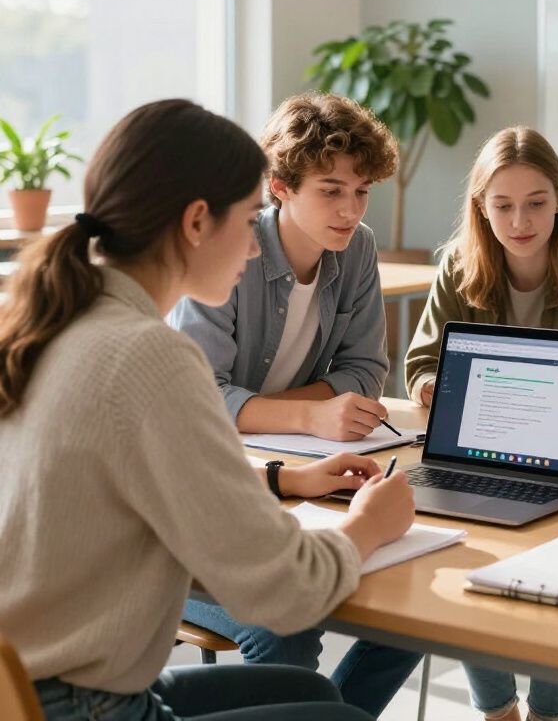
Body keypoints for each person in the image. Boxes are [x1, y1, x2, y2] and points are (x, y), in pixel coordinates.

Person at [0, 99, 415, 721]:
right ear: (197, 222)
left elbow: (121, 479)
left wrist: (280, 478)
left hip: (47, 684)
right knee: (343, 719)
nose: (254, 247)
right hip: (83, 705)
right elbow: (285, 590)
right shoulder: (151, 357)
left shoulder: (58, 321)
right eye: (250, 220)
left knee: (316, 695)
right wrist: (368, 527)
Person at [169, 92, 421, 717]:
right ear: (279, 188)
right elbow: (203, 398)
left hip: (272, 477)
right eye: (331, 190)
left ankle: (325, 714)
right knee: (289, 621)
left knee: (412, 600)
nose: (350, 209)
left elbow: (366, 371)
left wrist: (264, 419)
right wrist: (308, 414)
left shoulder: (356, 248)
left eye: (362, 191)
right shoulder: (230, 250)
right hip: (204, 512)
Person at [406, 125, 558, 721]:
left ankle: (550, 713)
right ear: (480, 206)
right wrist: (431, 386)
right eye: (502, 205)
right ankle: (497, 710)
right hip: (477, 454)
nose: (520, 221)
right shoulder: (459, 263)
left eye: (535, 203)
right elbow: (423, 362)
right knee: (462, 553)